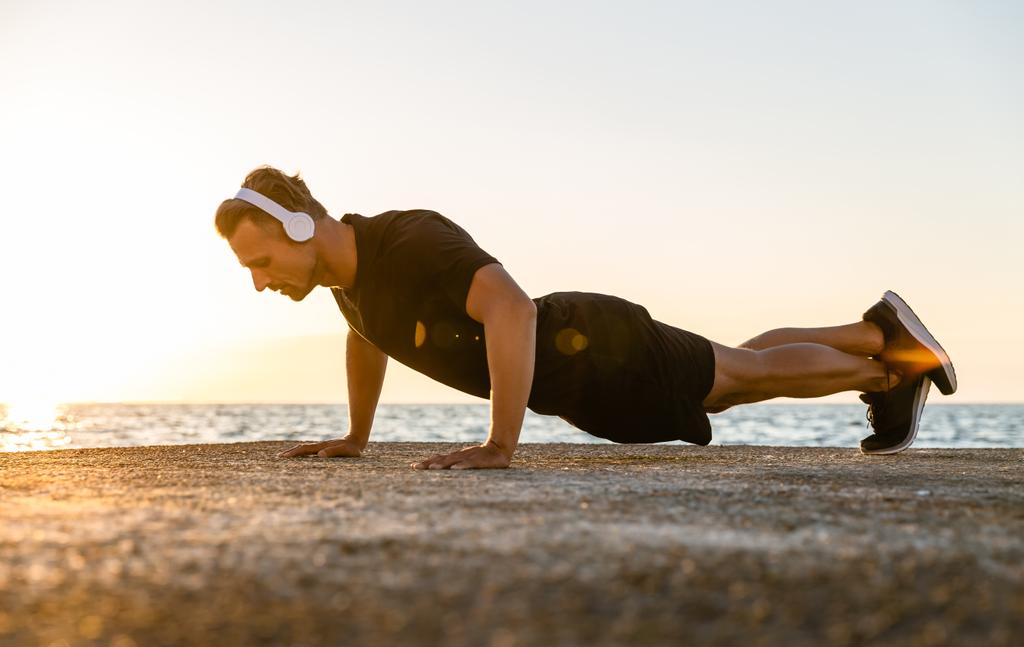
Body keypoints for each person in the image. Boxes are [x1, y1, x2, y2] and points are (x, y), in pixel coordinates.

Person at [214, 166, 958, 470]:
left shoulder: (407, 239)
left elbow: (506, 304)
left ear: (302, 227)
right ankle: (874, 333)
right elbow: (366, 337)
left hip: (596, 347)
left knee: (745, 375)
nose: (258, 282)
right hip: (584, 375)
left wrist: (499, 442)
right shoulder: (352, 284)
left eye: (261, 260)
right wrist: (356, 435)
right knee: (729, 369)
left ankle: (899, 364)